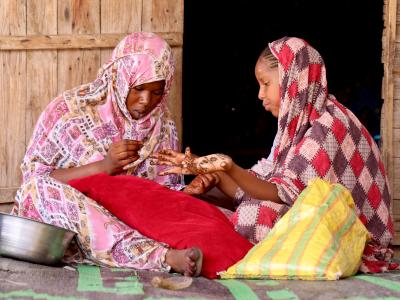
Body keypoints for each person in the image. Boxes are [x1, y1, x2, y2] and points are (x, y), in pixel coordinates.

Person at [152, 36, 397, 273]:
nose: (260, 94)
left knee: (252, 215)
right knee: (206, 203)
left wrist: (227, 167)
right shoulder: (295, 126)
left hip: (352, 236)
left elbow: (284, 194)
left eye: (266, 83)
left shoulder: (328, 127)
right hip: (315, 221)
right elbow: (265, 179)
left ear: (293, 79)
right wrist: (210, 171)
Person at [12, 32, 202, 277]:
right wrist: (103, 167)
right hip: (68, 220)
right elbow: (33, 179)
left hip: (129, 217)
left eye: (157, 92)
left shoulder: (163, 128)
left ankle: (146, 252)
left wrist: (189, 191)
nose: (146, 101)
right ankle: (160, 256)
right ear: (120, 78)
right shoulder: (70, 110)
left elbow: (161, 194)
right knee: (38, 190)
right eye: (139, 89)